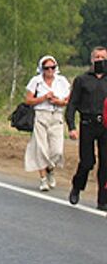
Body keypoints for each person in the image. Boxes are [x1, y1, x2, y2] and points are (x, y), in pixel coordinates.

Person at [66, 46, 107, 210]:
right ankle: (77, 187)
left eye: (103, 57)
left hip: (105, 125)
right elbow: (72, 105)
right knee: (87, 162)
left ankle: (103, 200)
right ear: (92, 60)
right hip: (87, 124)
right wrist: (71, 126)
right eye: (97, 57)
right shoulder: (82, 80)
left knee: (105, 163)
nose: (100, 60)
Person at [24, 55, 70, 191]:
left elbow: (68, 99)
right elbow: (28, 100)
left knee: (57, 150)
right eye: (47, 68)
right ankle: (43, 179)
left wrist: (58, 101)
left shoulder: (62, 81)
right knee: (40, 148)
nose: (50, 70)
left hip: (56, 116)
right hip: (41, 115)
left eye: (52, 67)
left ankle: (50, 169)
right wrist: (44, 97)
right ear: (41, 69)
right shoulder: (36, 81)